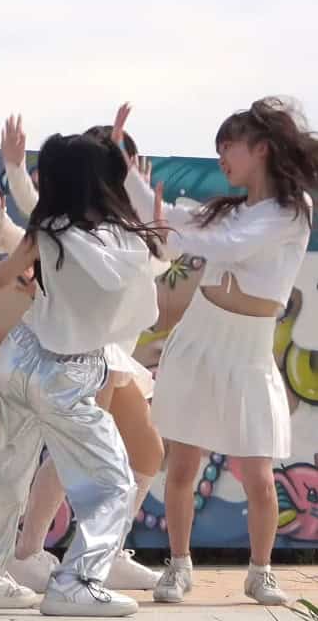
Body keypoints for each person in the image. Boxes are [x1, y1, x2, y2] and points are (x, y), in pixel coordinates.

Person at [0, 124, 164, 616]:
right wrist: (147, 204)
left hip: (18, 356)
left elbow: (0, 275)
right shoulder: (120, 239)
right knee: (112, 484)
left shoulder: (49, 231)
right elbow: (157, 259)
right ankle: (76, 581)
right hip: (68, 371)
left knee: (4, 476)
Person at [121, 98, 318, 606]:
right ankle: (178, 566)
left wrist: (176, 227)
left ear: (261, 148)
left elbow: (228, 245)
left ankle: (260, 572)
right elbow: (169, 223)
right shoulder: (228, 212)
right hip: (200, 338)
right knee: (182, 466)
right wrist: (127, 170)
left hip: (248, 350)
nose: (222, 157)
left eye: (228, 146)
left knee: (258, 474)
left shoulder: (291, 211)